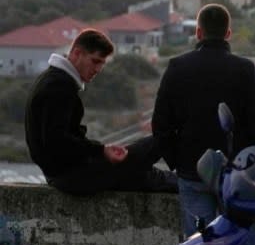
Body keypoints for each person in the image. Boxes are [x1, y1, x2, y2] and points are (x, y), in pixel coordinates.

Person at [152, 3, 255, 245]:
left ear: (198, 32)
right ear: (229, 33)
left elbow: (160, 125)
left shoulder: (178, 67)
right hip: (238, 179)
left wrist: (177, 162)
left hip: (193, 175)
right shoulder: (244, 69)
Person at [25, 29, 176, 196]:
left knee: (141, 168)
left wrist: (99, 152)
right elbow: (57, 141)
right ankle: (190, 179)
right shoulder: (59, 87)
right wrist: (100, 151)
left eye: (102, 64)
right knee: (153, 146)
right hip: (68, 175)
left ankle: (183, 178)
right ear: (77, 53)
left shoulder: (52, 80)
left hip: (63, 173)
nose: (98, 69)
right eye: (95, 61)